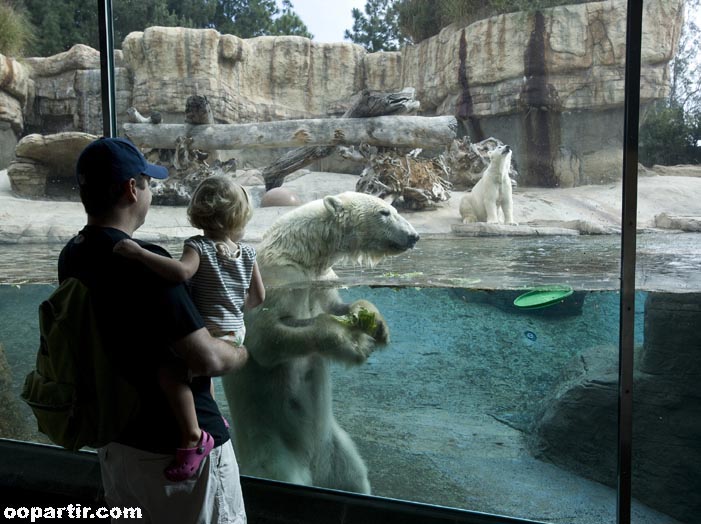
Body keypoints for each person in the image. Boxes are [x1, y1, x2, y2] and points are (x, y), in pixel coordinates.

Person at [60, 136, 248, 523]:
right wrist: (243, 352)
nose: (150, 192)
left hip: (118, 442)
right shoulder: (147, 264)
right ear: (133, 188)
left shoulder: (74, 254)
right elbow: (205, 357)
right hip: (177, 456)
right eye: (148, 183)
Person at [113, 175, 265, 481]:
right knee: (201, 378)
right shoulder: (248, 253)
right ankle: (209, 418)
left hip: (207, 332)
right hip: (235, 331)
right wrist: (233, 309)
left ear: (199, 211)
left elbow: (181, 273)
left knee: (170, 371)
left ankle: (193, 435)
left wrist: (140, 253)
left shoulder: (199, 246)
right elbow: (258, 296)